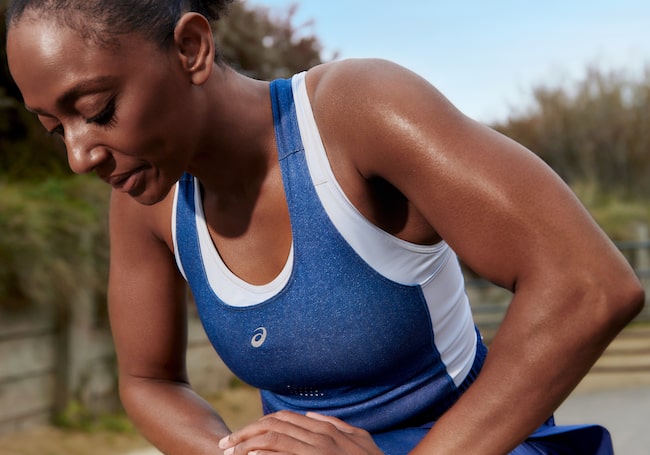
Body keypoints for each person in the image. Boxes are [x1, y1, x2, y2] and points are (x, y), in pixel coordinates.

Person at [5, 1, 645, 454]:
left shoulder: (357, 115)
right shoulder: (146, 200)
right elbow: (149, 382)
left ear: (191, 48)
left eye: (98, 110)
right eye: (55, 127)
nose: (79, 155)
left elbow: (587, 285)